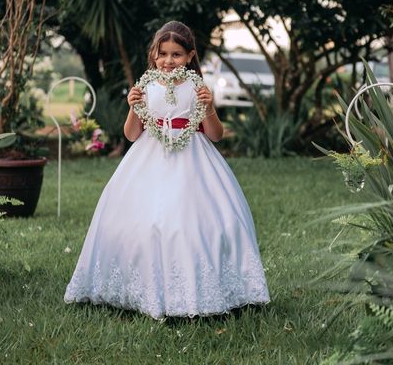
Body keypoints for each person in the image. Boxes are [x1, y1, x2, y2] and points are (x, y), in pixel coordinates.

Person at [64, 21, 269, 318]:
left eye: (176, 54)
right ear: (154, 55)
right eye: (163, 54)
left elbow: (215, 134)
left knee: (199, 224)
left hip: (194, 162)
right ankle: (140, 289)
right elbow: (132, 135)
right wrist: (133, 106)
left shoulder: (197, 87)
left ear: (190, 56)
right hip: (149, 156)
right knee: (141, 223)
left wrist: (209, 107)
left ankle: (204, 290)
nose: (168, 61)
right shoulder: (145, 86)